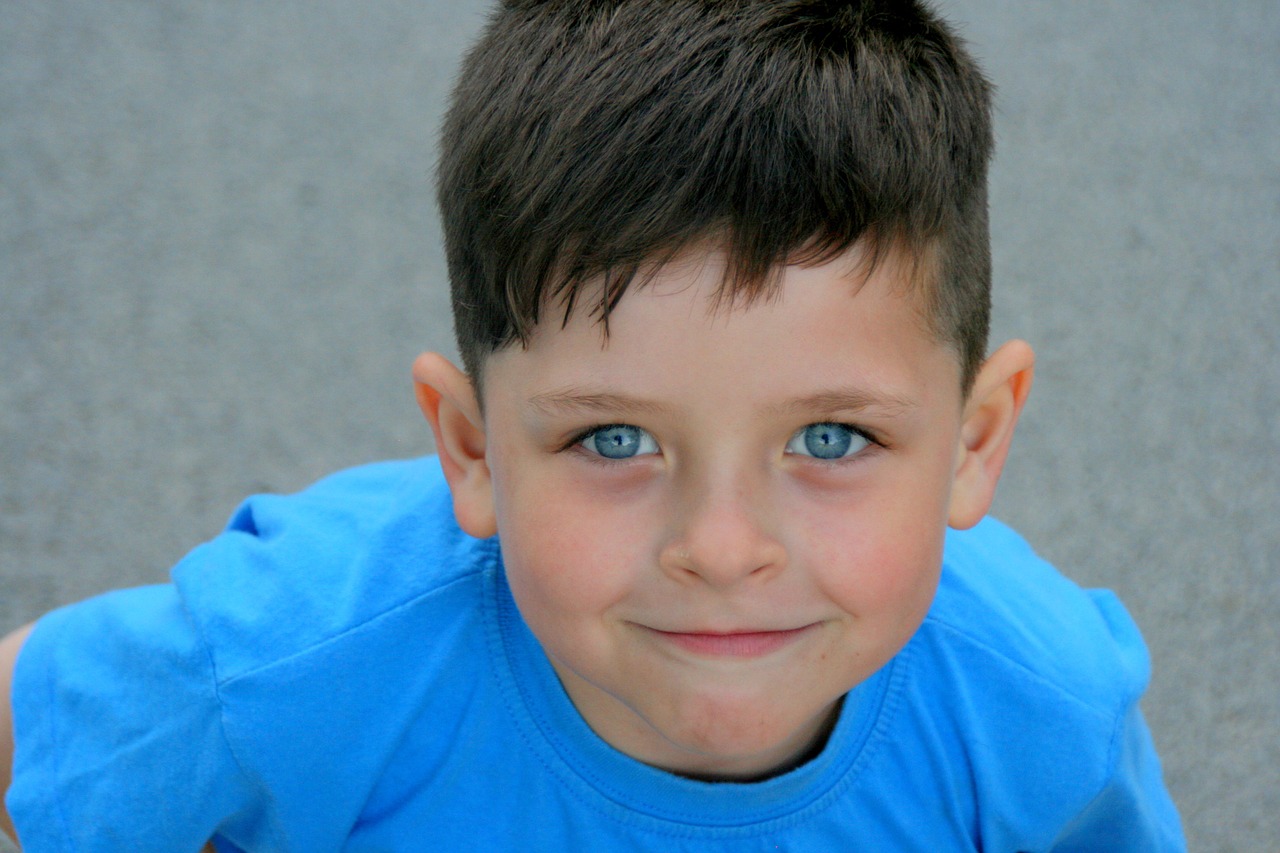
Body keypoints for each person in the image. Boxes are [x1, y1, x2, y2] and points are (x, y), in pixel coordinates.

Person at [1, 0, 1186, 849]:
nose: (720, 547)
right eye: (613, 441)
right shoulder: (297, 655)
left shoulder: (1039, 705)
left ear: (973, 442)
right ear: (468, 449)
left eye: (829, 439)